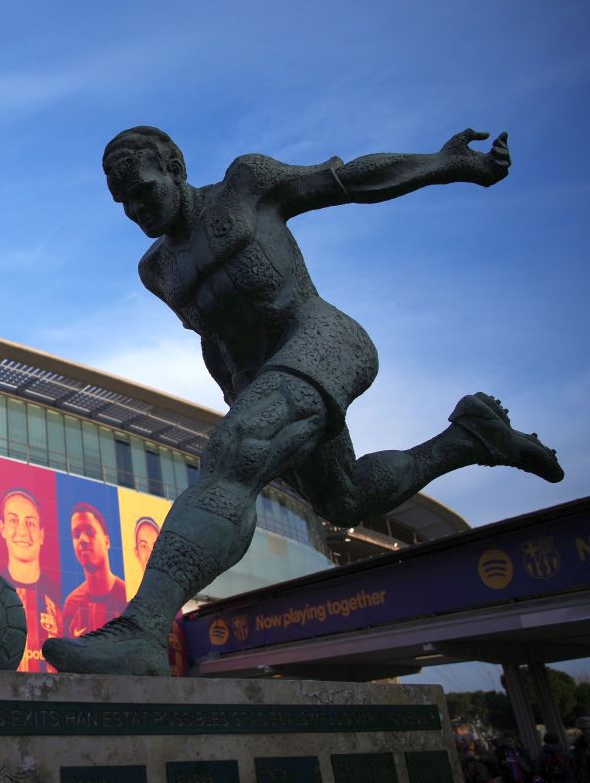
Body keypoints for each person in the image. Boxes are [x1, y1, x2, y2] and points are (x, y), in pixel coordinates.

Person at [43, 126, 564, 675]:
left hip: (324, 340)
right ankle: (470, 438)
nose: (135, 210)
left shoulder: (245, 185)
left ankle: (142, 630)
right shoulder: (157, 270)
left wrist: (447, 163)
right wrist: (239, 397)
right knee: (344, 498)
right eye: (124, 203)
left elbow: (349, 180)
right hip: (265, 377)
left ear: (174, 170)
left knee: (234, 453)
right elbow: (215, 339)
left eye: (143, 191)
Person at [0, 488, 61, 671]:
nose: (22, 531)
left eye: (30, 523)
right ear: (2, 528)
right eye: (13, 520)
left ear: (41, 534)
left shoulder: (59, 597)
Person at [61, 503, 127, 637]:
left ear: (107, 542)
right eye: (76, 534)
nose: (83, 539)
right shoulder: (71, 605)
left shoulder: (127, 597)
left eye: (90, 532)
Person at [572, 717, 590, 783]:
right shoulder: (578, 745)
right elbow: (577, 764)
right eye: (583, 729)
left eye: (589, 728)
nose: (587, 731)